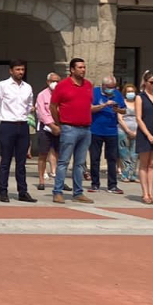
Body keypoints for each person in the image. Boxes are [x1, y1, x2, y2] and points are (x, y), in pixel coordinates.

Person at [50, 57, 95, 204]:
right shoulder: (62, 85)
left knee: (80, 163)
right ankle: (57, 191)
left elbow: (88, 105)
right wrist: (59, 123)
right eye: (80, 67)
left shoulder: (88, 85)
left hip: (85, 128)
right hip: (69, 128)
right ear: (72, 69)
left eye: (84, 67)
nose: (83, 70)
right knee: (63, 161)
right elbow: (53, 106)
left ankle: (78, 192)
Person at [0, 59, 35, 203]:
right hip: (8, 125)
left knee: (21, 162)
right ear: (11, 71)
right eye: (17, 69)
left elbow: (29, 105)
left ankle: (22, 191)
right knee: (6, 160)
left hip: (22, 125)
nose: (20, 72)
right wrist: (3, 120)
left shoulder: (27, 87)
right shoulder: (3, 85)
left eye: (22, 69)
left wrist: (25, 117)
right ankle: (3, 190)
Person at [88, 74, 126, 195]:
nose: (111, 89)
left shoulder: (117, 94)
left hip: (112, 131)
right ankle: (95, 184)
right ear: (103, 86)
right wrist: (104, 105)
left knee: (112, 158)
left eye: (113, 87)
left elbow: (124, 110)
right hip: (96, 130)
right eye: (109, 87)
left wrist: (117, 109)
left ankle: (112, 185)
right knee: (95, 158)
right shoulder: (94, 92)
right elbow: (89, 108)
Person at [133, 70, 153, 206]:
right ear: (145, 83)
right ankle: (145, 193)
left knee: (152, 164)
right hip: (145, 133)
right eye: (151, 82)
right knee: (144, 164)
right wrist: (148, 135)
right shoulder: (140, 97)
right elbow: (139, 118)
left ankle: (151, 193)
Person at [35, 72, 60, 191]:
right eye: (52, 81)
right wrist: (51, 125)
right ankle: (41, 180)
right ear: (48, 82)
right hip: (45, 127)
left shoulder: (62, 94)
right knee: (43, 154)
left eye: (57, 81)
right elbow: (41, 112)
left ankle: (60, 180)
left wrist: (59, 125)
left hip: (59, 126)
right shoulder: (42, 95)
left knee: (60, 155)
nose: (55, 83)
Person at [118, 82, 140, 184]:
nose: (131, 93)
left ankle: (133, 175)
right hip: (123, 131)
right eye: (128, 91)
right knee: (124, 154)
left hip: (136, 132)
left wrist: (136, 131)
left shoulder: (138, 103)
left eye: (132, 91)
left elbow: (141, 118)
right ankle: (124, 175)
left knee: (134, 154)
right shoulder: (121, 103)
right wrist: (127, 130)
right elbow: (120, 118)